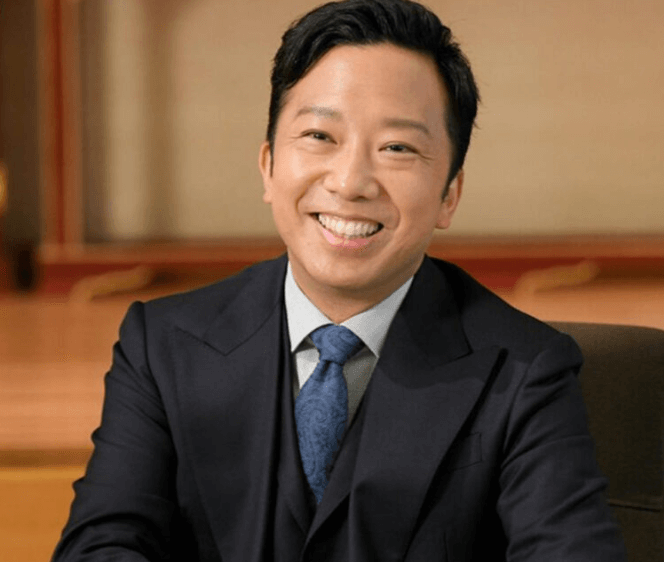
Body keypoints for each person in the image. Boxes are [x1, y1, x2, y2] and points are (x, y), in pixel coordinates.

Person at [53, 0, 626, 560]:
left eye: (397, 147)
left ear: (449, 195)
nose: (351, 182)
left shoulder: (527, 371)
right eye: (320, 137)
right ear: (268, 165)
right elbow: (101, 544)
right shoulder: (161, 346)